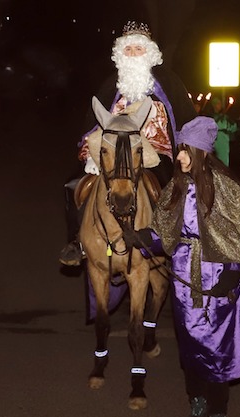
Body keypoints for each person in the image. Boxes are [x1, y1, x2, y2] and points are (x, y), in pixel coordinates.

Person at [125, 116, 240, 417]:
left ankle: (218, 411)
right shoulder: (176, 187)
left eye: (185, 150)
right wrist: (142, 237)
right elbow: (164, 232)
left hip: (218, 276)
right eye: (179, 150)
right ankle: (196, 400)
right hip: (184, 274)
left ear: (201, 151)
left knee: (218, 345)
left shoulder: (226, 188)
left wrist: (234, 274)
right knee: (191, 342)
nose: (179, 157)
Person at [60, 20, 196, 266]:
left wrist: (187, 151)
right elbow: (93, 124)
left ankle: (173, 241)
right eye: (128, 50)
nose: (133, 55)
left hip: (157, 151)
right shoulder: (110, 84)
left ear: (149, 52)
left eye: (138, 49)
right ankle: (77, 242)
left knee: (173, 191)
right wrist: (90, 154)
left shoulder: (170, 82)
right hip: (114, 151)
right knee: (74, 185)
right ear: (120, 53)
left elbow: (188, 121)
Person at [210, 97, 237, 166]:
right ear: (214, 105)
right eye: (218, 104)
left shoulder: (225, 117)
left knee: (223, 160)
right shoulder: (210, 117)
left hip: (223, 140)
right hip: (214, 140)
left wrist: (234, 123)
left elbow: (233, 128)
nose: (220, 105)